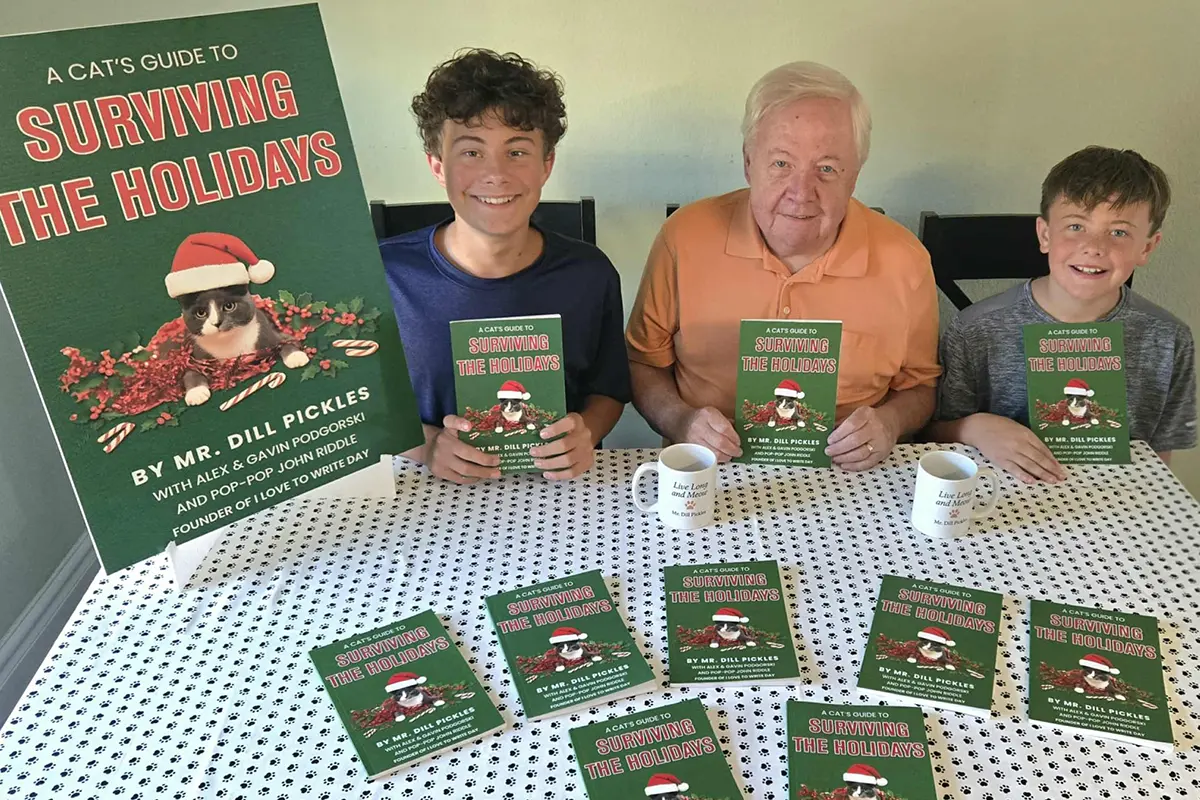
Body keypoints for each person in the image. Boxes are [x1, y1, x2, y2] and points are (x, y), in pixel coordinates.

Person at [625, 61, 941, 469]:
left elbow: (921, 386)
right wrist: (680, 419)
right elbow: (642, 362)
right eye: (781, 164)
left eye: (827, 168)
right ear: (748, 163)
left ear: (854, 176)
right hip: (708, 471)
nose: (801, 192)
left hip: (849, 476)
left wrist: (890, 423)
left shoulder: (906, 261)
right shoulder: (683, 238)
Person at [383, 49, 630, 484]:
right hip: (420, 496)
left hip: (558, 496)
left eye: (516, 151)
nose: (495, 174)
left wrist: (588, 432)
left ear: (546, 165)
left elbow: (608, 390)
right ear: (438, 166)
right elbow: (356, 405)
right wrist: (427, 445)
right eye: (471, 152)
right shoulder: (384, 275)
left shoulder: (590, 274)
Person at [929, 146, 1195, 482]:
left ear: (1146, 247)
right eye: (1076, 226)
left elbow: (1161, 457)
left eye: (1119, 232)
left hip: (1117, 503)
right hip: (1002, 499)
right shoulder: (974, 331)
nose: (1094, 247)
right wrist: (975, 428)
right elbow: (933, 433)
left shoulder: (1170, 340)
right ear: (1045, 235)